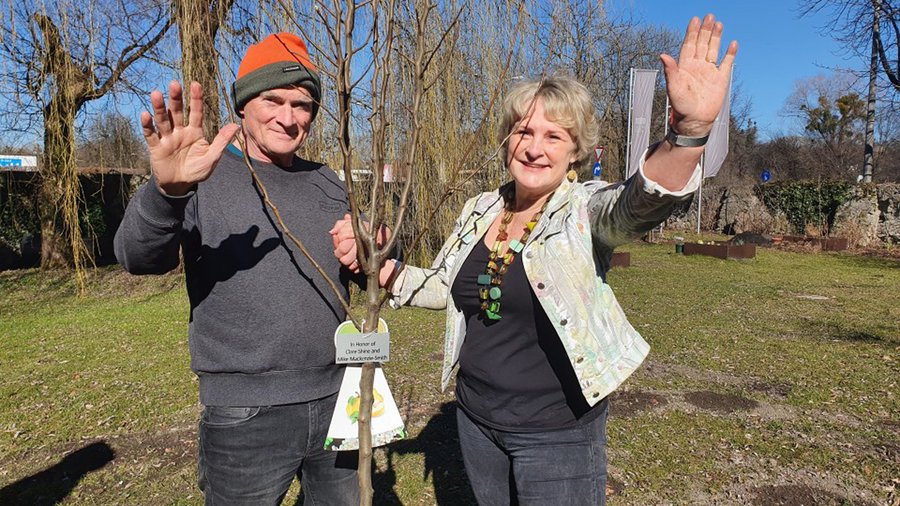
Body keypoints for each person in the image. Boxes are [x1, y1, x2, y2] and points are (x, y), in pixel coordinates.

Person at [331, 14, 737, 505]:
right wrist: (379, 266)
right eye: (524, 132)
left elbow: (638, 204)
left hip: (557, 431)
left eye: (554, 136)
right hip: (477, 420)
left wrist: (690, 131)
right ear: (507, 140)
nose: (534, 148)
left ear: (576, 152)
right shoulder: (481, 208)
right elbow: (445, 285)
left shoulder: (583, 210)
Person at [114, 33, 361, 505]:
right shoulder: (201, 172)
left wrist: (374, 247)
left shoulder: (327, 181)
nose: (288, 118)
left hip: (338, 397)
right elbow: (138, 258)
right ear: (243, 105)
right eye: (273, 100)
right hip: (246, 413)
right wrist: (167, 194)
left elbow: (363, 268)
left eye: (302, 105)